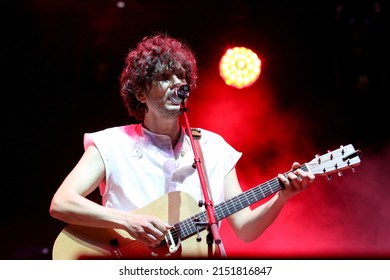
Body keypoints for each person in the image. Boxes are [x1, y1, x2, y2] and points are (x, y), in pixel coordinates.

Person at [49, 33, 315, 259]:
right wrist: (128, 221)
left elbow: (246, 229)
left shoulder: (214, 148)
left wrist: (282, 197)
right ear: (141, 93)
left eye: (181, 76)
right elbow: (62, 203)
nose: (178, 83)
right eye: (166, 76)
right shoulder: (111, 143)